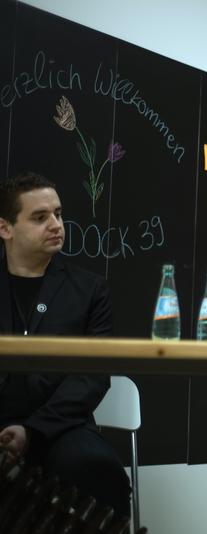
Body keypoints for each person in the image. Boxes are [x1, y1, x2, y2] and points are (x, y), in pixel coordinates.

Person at [0, 172, 130, 518]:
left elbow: (92, 375)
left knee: (99, 471)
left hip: (62, 426)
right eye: (40, 217)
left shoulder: (89, 289)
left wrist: (33, 430)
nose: (56, 224)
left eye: (58, 214)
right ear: (5, 228)